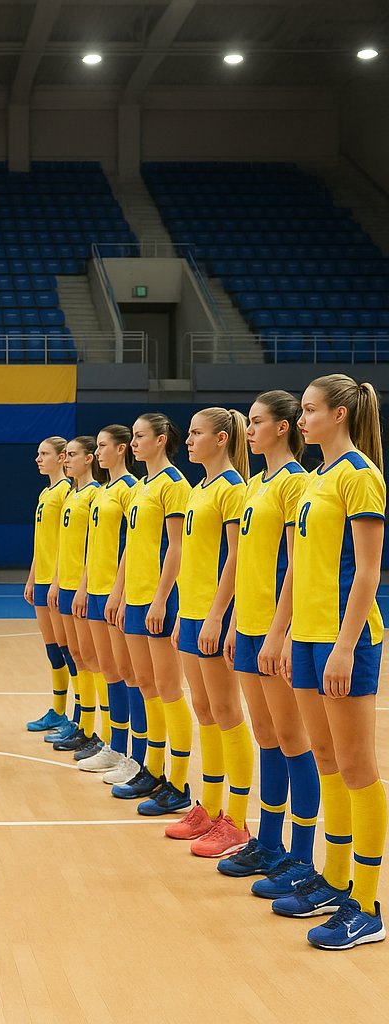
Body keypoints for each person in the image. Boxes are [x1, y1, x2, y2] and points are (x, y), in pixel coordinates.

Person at [277, 375, 386, 950]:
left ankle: (367, 904)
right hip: (308, 636)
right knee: (326, 759)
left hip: (347, 638)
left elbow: (367, 570)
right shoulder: (315, 478)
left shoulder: (360, 476)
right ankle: (335, 880)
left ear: (340, 414)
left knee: (357, 765)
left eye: (312, 410)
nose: (303, 419)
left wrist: (345, 645)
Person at [220, 391, 321, 889]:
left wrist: (278, 632)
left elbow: (295, 564)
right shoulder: (255, 484)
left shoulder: (294, 482)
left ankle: (302, 856)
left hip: (278, 630)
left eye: (258, 422)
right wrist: (238, 617)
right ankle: (271, 841)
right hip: (251, 624)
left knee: (293, 739)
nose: (250, 430)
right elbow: (247, 564)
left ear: (284, 428)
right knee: (266, 736)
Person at [162, 408, 250, 856]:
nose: (189, 440)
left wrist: (218, 615)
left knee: (227, 712)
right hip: (192, 613)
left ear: (221, 438)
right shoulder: (200, 488)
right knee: (204, 709)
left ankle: (235, 819)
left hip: (215, 614)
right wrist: (183, 615)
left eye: (196, 433)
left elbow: (236, 558)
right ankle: (210, 808)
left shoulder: (233, 488)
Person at [113, 414, 192, 807]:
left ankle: (176, 783)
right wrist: (121, 591)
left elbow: (176, 547)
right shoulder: (142, 486)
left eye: (141, 436)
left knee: (168, 689)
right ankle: (153, 768)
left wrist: (162, 598)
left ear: (161, 440)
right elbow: (132, 544)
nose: (135, 442)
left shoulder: (174, 485)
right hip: (136, 597)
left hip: (160, 598)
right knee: (146, 686)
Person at [74, 425, 141, 783]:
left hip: (118, 594)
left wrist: (119, 589)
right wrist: (87, 585)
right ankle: (115, 745)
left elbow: (135, 546)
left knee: (126, 674)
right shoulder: (104, 492)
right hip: (98, 591)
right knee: (105, 669)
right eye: (96, 445)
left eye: (103, 446)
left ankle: (135, 755)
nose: (98, 452)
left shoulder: (131, 489)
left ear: (121, 449)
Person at [48, 437, 105, 760]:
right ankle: (81, 723)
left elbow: (93, 547)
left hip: (84, 586)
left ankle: (94, 731)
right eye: (64, 455)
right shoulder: (71, 494)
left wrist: (81, 583)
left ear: (88, 459)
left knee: (92, 661)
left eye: (71, 455)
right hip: (65, 584)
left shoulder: (94, 494)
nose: (65, 460)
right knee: (77, 656)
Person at [23, 437, 76, 738]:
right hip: (42, 580)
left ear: (61, 458)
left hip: (58, 582)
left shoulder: (66, 491)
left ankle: (75, 718)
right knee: (53, 649)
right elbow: (41, 542)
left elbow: (67, 545)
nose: (38, 459)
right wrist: (32, 577)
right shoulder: (46, 492)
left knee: (69, 650)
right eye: (38, 453)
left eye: (44, 454)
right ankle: (57, 710)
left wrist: (56, 580)